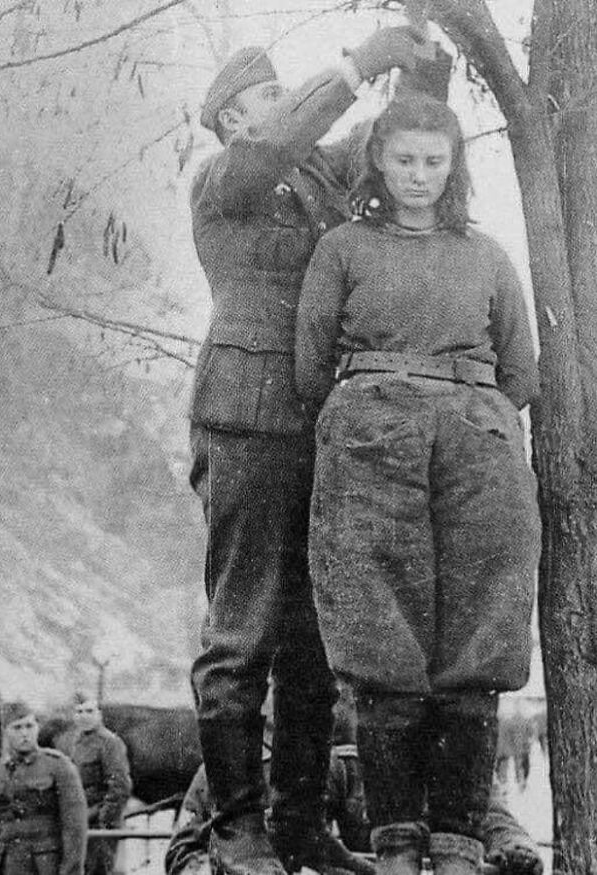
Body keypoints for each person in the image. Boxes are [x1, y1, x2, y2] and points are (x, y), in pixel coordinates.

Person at [188, 27, 452, 875]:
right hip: (245, 423)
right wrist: (353, 65)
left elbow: (390, 152)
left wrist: (424, 69)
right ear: (233, 116)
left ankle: (299, 823)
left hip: (319, 424)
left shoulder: (311, 173)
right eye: (268, 96)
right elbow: (285, 138)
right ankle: (235, 829)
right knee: (242, 633)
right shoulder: (222, 176)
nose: (283, 105)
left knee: (312, 639)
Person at [295, 94, 542, 875]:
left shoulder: (486, 254)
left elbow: (521, 368)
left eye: (435, 160)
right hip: (370, 444)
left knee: (479, 637)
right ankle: (396, 845)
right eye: (404, 159)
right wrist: (377, 410)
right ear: (378, 161)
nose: (419, 176)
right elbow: (310, 366)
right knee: (382, 644)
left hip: (477, 447)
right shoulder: (342, 247)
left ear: (454, 166)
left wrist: (465, 413)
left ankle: (463, 845)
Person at [164, 757, 543, 875]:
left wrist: (514, 845)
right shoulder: (231, 759)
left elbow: (492, 814)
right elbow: (184, 849)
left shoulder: (446, 751)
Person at [0, 701, 87, 875]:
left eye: (29, 726)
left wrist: (70, 872)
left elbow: (75, 827)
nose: (25, 734)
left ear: (37, 728)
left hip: (46, 867)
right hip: (4, 866)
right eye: (17, 728)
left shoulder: (59, 766)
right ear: (6, 731)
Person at [70, 695, 132, 875]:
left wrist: (105, 822)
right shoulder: (77, 742)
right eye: (79, 712)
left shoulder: (110, 743)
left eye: (89, 711)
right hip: (81, 821)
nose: (84, 716)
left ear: (100, 714)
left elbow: (120, 787)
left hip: (100, 825)